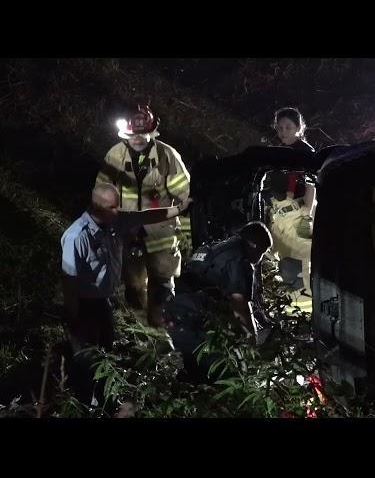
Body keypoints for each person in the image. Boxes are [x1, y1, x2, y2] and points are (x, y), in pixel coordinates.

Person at [60, 183, 191, 401]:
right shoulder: (76, 237)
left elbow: (145, 217)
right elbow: (68, 281)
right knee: (85, 360)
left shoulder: (115, 220)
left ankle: (101, 401)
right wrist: (74, 316)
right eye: (112, 207)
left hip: (103, 302)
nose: (117, 211)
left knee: (105, 353)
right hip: (83, 305)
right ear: (97, 207)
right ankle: (81, 402)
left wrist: (177, 209)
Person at [95, 103, 191, 327]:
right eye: (132, 135)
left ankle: (162, 332)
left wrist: (185, 228)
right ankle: (142, 329)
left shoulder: (167, 155)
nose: (137, 139)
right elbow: (102, 191)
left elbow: (184, 194)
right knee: (134, 285)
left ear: (152, 132)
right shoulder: (115, 155)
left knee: (162, 285)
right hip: (128, 232)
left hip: (161, 232)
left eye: (143, 134)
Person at [163, 222, 273, 379]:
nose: (261, 258)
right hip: (188, 319)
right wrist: (252, 345)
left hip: (171, 310)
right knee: (219, 369)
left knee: (188, 371)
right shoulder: (239, 262)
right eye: (263, 252)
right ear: (254, 246)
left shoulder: (215, 246)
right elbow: (240, 309)